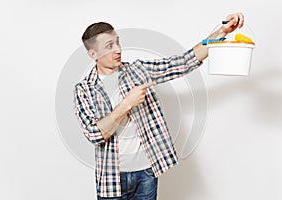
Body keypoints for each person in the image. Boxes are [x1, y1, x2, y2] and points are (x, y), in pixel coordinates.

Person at [74, 12, 244, 200]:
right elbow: (95, 134)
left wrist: (222, 32)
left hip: (147, 172)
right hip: (112, 178)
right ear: (93, 54)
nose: (118, 49)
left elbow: (184, 62)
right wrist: (127, 103)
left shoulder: (138, 70)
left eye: (117, 42)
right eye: (109, 46)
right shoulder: (84, 90)